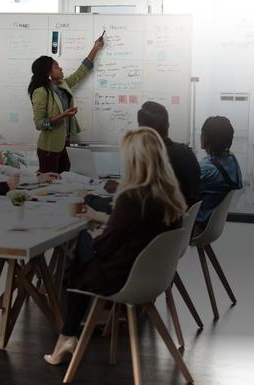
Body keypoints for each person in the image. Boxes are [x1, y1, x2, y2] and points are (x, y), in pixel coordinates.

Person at [44, 127, 186, 365]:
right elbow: (139, 229)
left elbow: (106, 248)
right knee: (83, 252)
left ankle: (66, 335)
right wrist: (102, 222)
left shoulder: (131, 198)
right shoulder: (169, 196)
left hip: (123, 278)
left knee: (81, 247)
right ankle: (66, 334)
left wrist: (96, 235)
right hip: (154, 277)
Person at [88, 101, 201, 213]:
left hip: (159, 224)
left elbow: (133, 202)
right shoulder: (187, 152)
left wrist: (90, 199)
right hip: (180, 223)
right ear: (168, 125)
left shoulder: (152, 160)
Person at [28, 35, 104, 174]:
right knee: (48, 184)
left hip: (65, 143)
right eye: (56, 67)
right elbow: (39, 124)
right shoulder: (41, 92)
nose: (61, 68)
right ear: (48, 73)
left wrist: (95, 48)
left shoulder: (63, 84)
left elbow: (81, 72)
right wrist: (63, 115)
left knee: (63, 180)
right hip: (49, 148)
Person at [196, 116, 242, 227]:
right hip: (212, 222)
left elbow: (186, 188)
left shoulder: (207, 168)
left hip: (197, 222)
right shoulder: (232, 160)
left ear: (206, 137)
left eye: (202, 133)